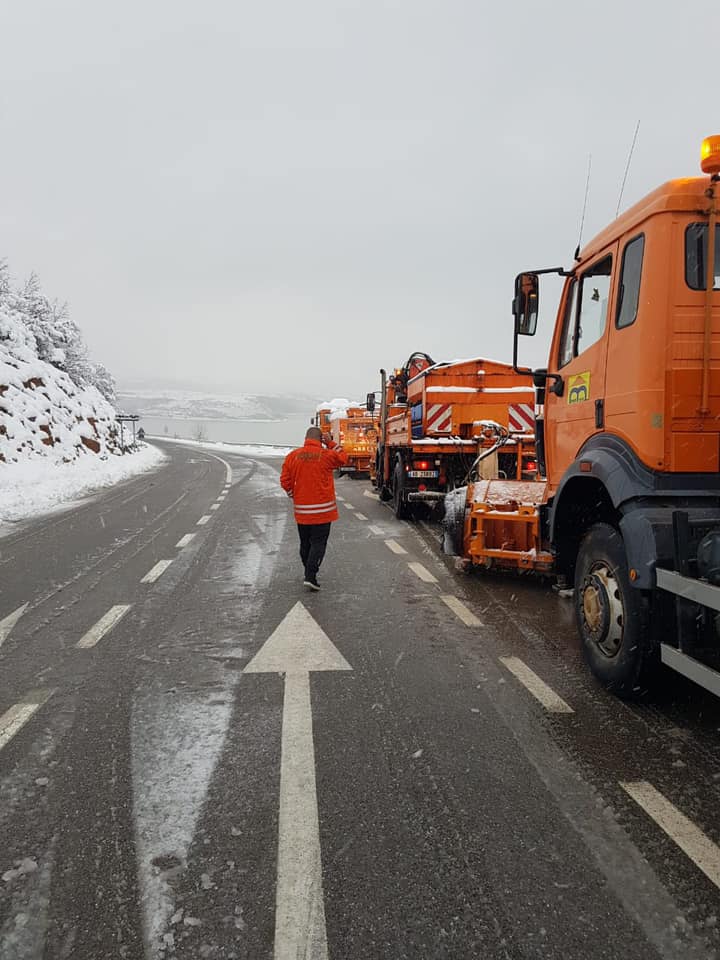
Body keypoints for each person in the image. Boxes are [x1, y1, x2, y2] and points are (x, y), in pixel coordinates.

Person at [280, 426, 348, 590]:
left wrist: (292, 494)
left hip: (302, 512)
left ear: (306, 438)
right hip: (323, 512)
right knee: (318, 543)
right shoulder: (326, 455)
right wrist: (331, 442)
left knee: (305, 543)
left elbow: (284, 480)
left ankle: (308, 572)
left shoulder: (293, 456)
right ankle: (310, 575)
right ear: (320, 440)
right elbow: (343, 458)